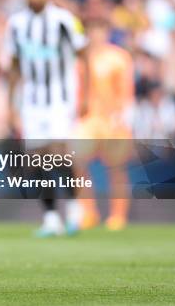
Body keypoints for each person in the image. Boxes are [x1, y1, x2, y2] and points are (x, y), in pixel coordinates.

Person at [5, 0, 88, 237]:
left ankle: (74, 208)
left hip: (60, 98)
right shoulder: (16, 24)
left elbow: (84, 57)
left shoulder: (65, 20)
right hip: (31, 101)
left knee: (59, 153)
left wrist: (85, 95)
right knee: (34, 160)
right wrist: (10, 104)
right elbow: (15, 65)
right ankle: (51, 217)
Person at [73, 17, 135, 231]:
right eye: (92, 29)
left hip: (112, 119)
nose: (96, 34)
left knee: (116, 168)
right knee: (76, 164)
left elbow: (126, 90)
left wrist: (123, 116)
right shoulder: (79, 58)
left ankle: (118, 216)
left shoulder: (119, 57)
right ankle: (88, 213)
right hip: (87, 119)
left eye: (100, 29)